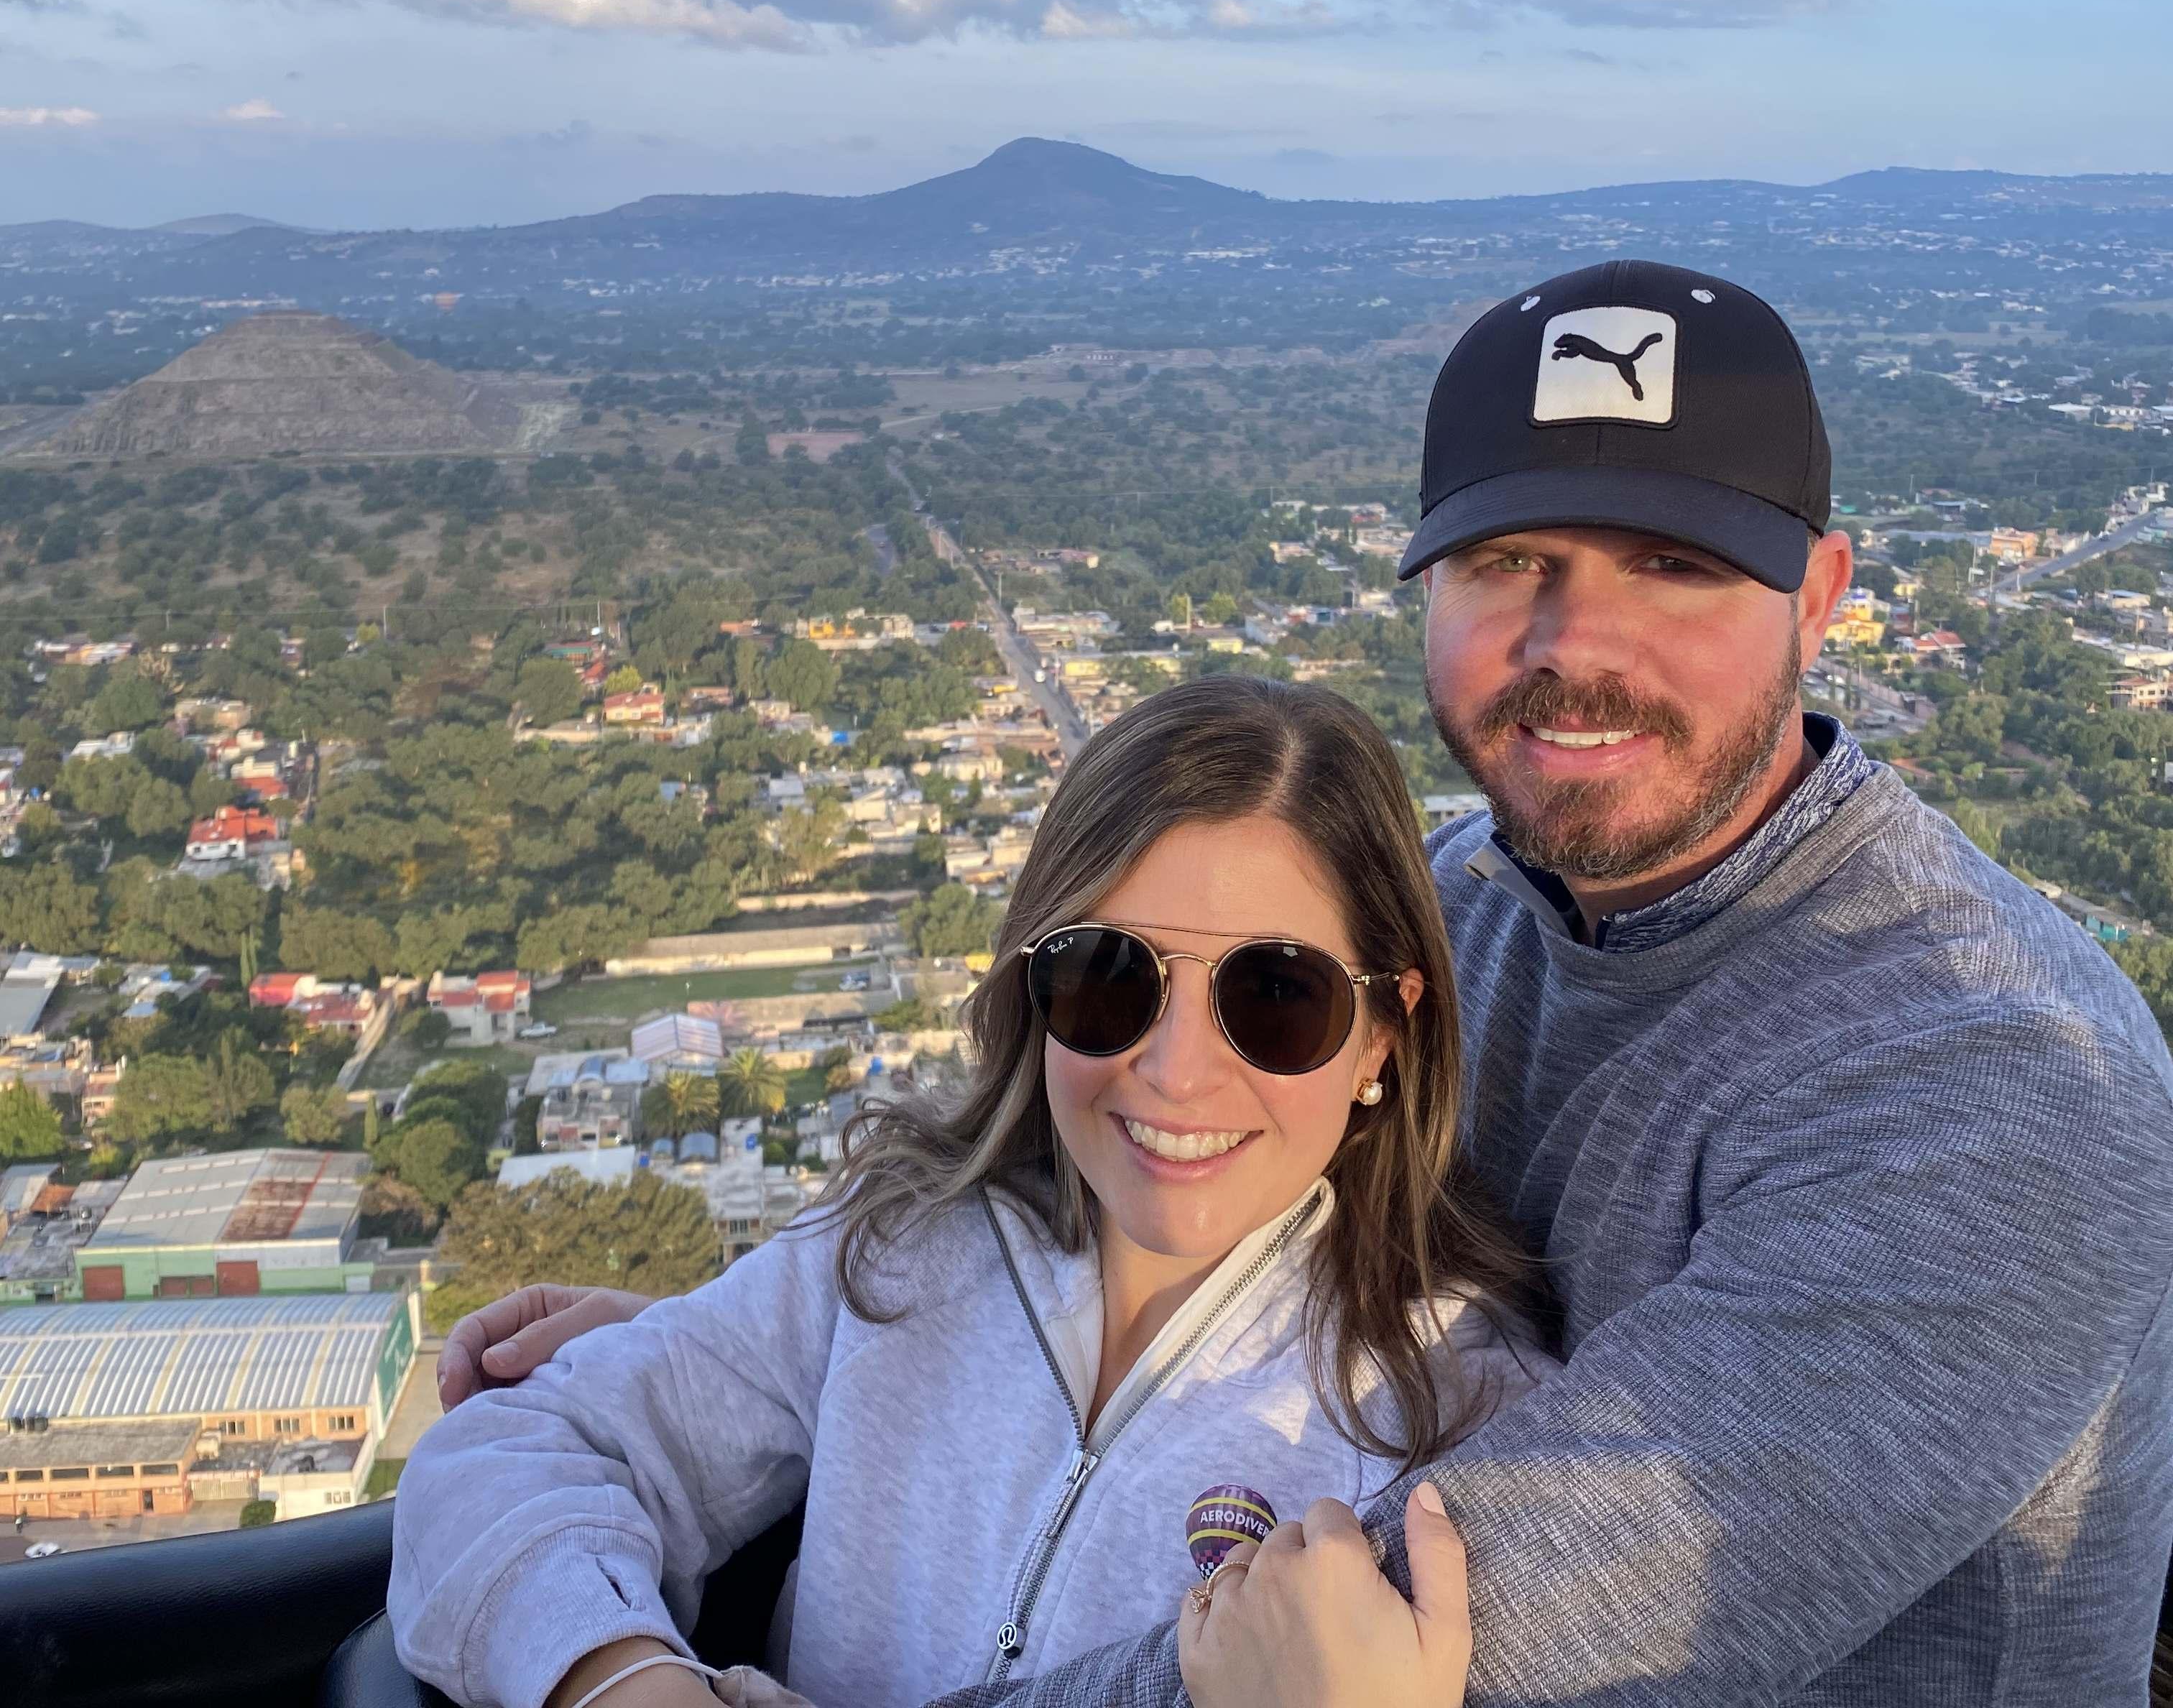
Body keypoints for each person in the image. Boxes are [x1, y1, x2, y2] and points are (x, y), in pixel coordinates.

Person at [445, 259, 2173, 1705]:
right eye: (1514, 565)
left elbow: (1395, 1652)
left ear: (1825, 593)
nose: (1579, 643)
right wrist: (790, 1348)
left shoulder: (1990, 1082)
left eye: (1677, 566)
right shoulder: (1457, 888)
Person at [390, 677, 1550, 1708]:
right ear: (1032, 985)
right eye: (1110, 977)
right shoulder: (896, 1249)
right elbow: (506, 1454)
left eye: (1276, 997)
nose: (1177, 1070)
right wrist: (622, 1680)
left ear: (1383, 1038)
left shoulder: (1452, 1416)